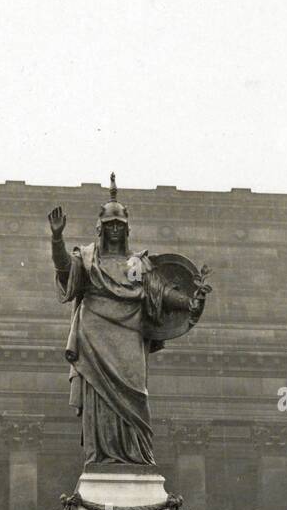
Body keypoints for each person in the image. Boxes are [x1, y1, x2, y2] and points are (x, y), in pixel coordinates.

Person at [48, 175, 209, 466]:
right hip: (94, 334)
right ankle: (103, 457)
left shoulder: (136, 264)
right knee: (99, 399)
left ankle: (133, 456)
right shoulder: (87, 258)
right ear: (100, 229)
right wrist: (57, 238)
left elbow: (157, 291)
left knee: (135, 396)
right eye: (109, 226)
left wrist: (189, 303)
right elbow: (64, 271)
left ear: (126, 230)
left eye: (118, 227)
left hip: (129, 337)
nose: (113, 232)